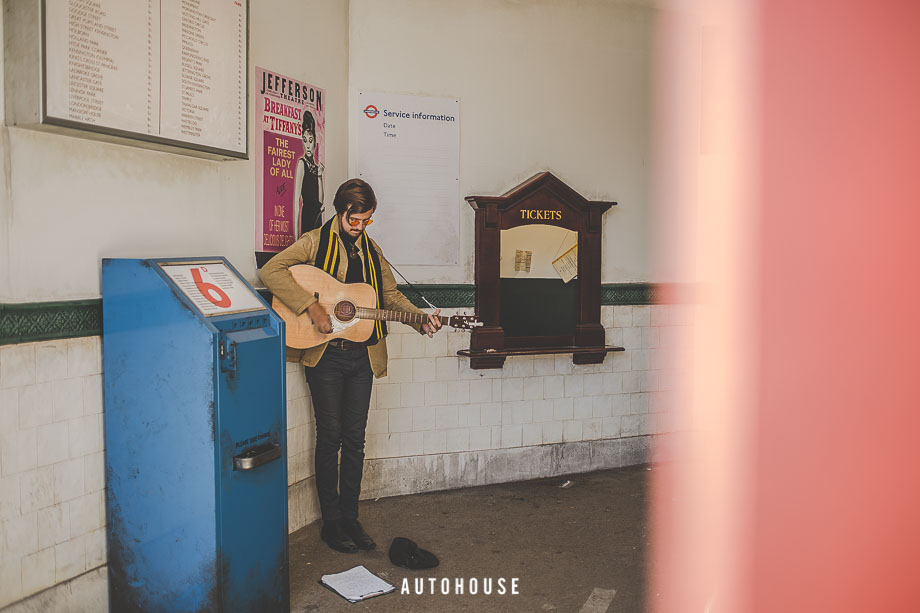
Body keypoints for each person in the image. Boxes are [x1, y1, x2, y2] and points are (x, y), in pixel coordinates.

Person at [260, 178, 443, 553]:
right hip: (326, 356)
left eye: (366, 221)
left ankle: (351, 517)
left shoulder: (372, 251)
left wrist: (419, 318)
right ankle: (331, 523)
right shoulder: (313, 242)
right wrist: (310, 305)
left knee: (355, 440)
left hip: (363, 355)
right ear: (341, 212)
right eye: (355, 220)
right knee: (330, 437)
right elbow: (271, 272)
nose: (359, 228)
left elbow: (388, 296)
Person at [293, 111, 325, 236]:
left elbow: (320, 201)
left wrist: (319, 176)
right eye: (305, 140)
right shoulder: (302, 164)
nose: (307, 145)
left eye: (310, 141)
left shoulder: (316, 167)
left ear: (315, 141)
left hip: (317, 219)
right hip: (307, 217)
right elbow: (297, 202)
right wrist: (296, 240)